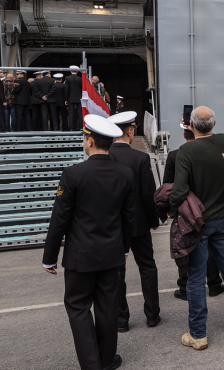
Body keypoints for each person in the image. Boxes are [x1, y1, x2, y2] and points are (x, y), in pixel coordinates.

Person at [42, 114, 135, 370]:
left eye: (85, 138)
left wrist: (49, 256)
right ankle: (106, 360)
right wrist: (124, 249)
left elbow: (59, 219)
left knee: (78, 307)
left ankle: (91, 364)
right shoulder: (125, 174)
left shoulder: (73, 174)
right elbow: (129, 219)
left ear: (91, 141)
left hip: (80, 256)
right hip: (111, 253)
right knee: (107, 308)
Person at [169, 106, 224, 350]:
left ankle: (198, 334)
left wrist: (169, 205)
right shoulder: (223, 141)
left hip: (197, 221)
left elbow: (179, 191)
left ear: (190, 125)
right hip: (222, 217)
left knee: (196, 276)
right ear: (214, 123)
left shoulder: (186, 150)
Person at [107, 111, 162, 332]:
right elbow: (148, 194)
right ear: (130, 132)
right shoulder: (140, 158)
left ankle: (121, 320)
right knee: (147, 267)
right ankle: (152, 315)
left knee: (117, 273)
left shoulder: (104, 156)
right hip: (138, 224)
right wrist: (154, 219)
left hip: (113, 226)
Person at [164, 127, 224, 302]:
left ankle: (184, 287)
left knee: (186, 246)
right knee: (211, 247)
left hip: (185, 207)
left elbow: (168, 184)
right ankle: (214, 284)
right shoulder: (211, 151)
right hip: (209, 207)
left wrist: (171, 208)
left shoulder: (175, 155)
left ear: (184, 135)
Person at [64, 66, 83, 131]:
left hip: (71, 98)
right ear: (77, 71)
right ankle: (81, 127)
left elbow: (67, 89)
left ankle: (71, 128)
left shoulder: (67, 78)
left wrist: (66, 99)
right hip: (80, 98)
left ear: (70, 71)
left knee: (71, 113)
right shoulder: (81, 79)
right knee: (80, 113)